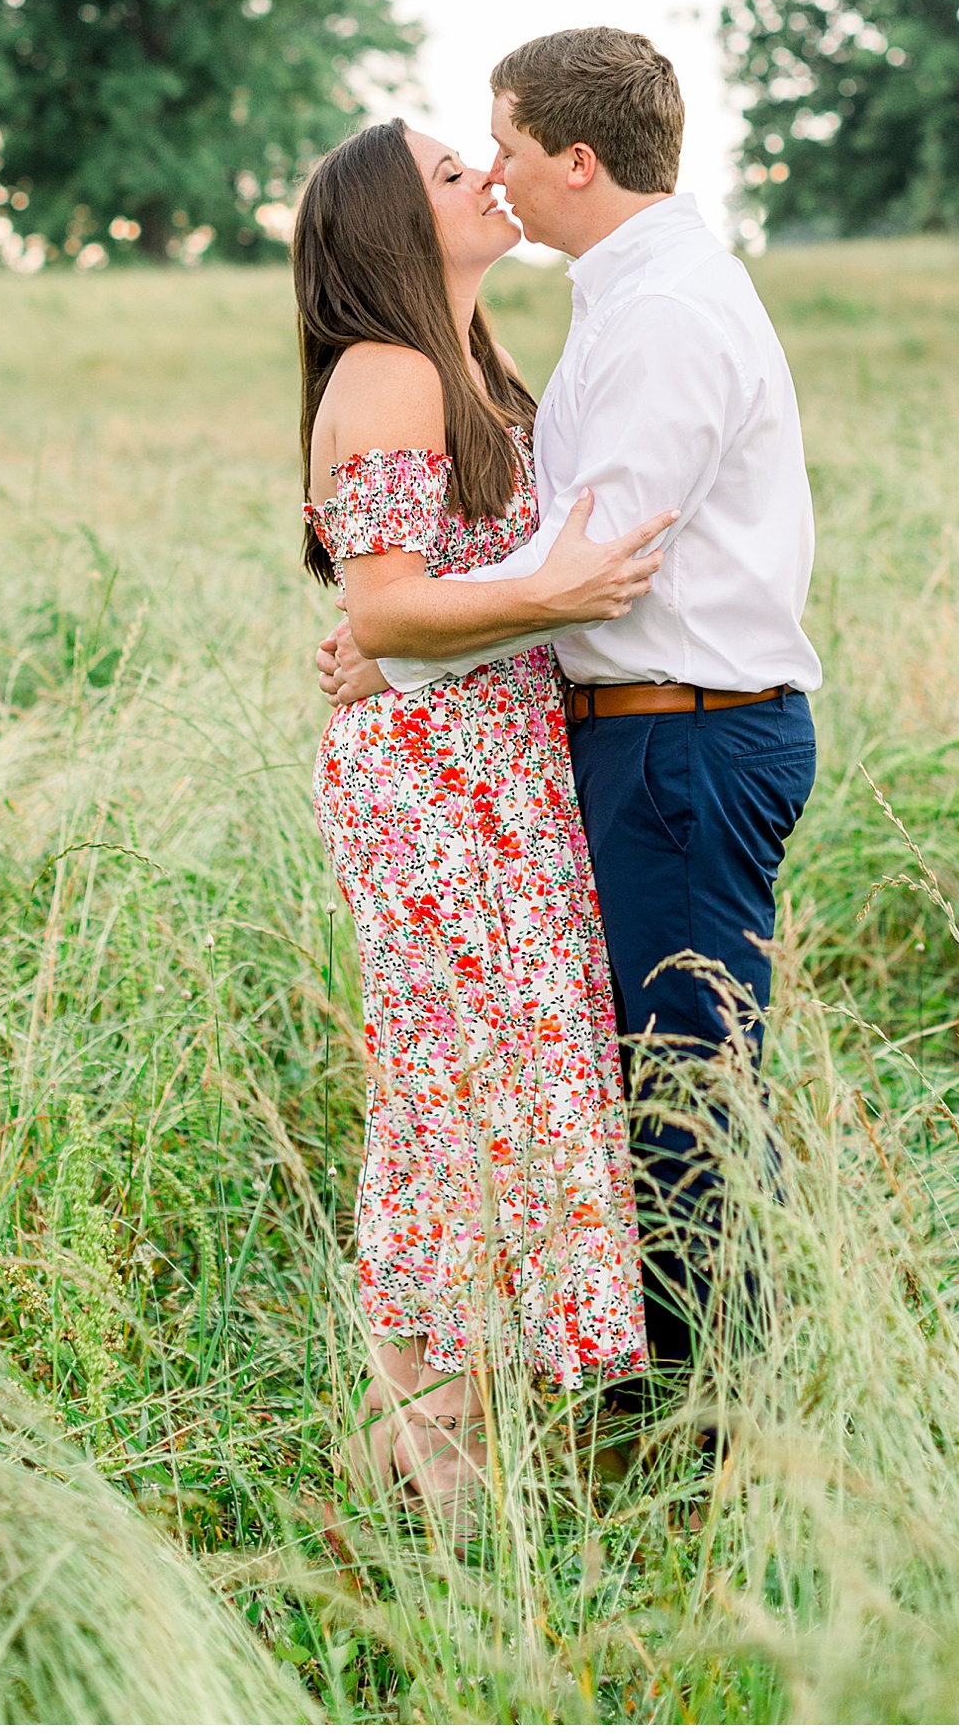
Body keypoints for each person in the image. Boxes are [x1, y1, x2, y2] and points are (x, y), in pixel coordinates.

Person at [319, 29, 821, 1374]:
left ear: (578, 160)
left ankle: (714, 1424)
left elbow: (591, 565)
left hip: (682, 736)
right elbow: (550, 559)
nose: (494, 171)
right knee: (635, 1082)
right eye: (465, 160)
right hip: (636, 738)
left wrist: (395, 644)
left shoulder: (661, 315)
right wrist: (397, 631)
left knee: (682, 1096)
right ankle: (651, 1398)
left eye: (503, 145)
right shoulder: (622, 296)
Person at [295, 115, 673, 1527]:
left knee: (504, 1084)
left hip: (497, 767)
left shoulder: (466, 360)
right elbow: (388, 605)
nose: (488, 177)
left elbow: (414, 607)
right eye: (455, 173)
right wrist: (554, 597)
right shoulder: (393, 372)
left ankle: (431, 1437)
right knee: (460, 1090)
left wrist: (473, 622)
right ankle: (429, 1451)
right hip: (437, 785)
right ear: (399, 225)